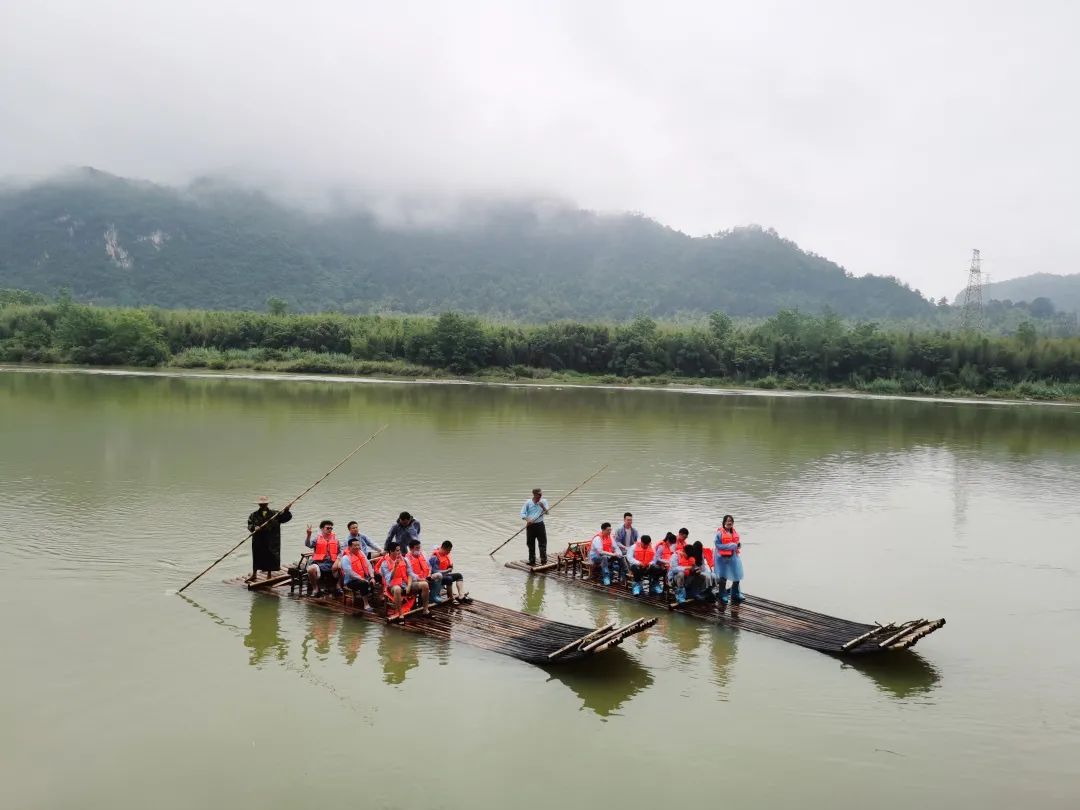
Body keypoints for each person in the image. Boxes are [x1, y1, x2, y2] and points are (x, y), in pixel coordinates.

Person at [246, 496, 293, 581]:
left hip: (271, 539)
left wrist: (287, 510)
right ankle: (254, 574)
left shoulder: (275, 514)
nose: (263, 505)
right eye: (261, 504)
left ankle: (269, 574)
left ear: (267, 504)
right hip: (258, 539)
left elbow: (285, 518)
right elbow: (249, 525)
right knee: (257, 556)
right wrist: (254, 527)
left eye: (264, 504)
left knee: (270, 556)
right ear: (259, 505)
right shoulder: (253, 515)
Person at [380, 544, 430, 620]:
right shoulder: (384, 564)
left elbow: (410, 574)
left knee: (425, 584)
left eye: (399, 549)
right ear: (391, 551)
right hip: (393, 585)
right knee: (397, 589)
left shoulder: (405, 560)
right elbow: (388, 579)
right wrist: (395, 567)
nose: (399, 552)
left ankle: (425, 610)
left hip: (406, 584)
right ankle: (400, 615)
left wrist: (410, 585)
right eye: (397, 550)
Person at [714, 514, 745, 604]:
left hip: (733, 557)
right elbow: (717, 545)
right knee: (723, 577)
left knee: (737, 575)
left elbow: (736, 543)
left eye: (731, 521)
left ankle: (735, 593)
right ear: (724, 522)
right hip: (722, 558)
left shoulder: (734, 532)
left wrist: (738, 545)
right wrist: (731, 546)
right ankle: (722, 594)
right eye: (727, 521)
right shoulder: (720, 533)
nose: (729, 522)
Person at [305, 520, 341, 597]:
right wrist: (308, 535)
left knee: (344, 566)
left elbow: (340, 552)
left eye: (331, 528)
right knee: (310, 569)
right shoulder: (317, 539)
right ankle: (315, 588)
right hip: (319, 563)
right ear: (322, 529)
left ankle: (338, 586)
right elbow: (308, 544)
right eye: (328, 528)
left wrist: (337, 561)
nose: (330, 530)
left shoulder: (336, 539)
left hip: (332, 563)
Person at [339, 536, 376, 611]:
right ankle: (366, 604)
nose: (357, 547)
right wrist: (362, 578)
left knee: (378, 576)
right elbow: (350, 572)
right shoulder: (345, 558)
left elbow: (368, 564)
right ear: (349, 547)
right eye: (355, 545)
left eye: (358, 545)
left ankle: (378, 596)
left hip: (364, 576)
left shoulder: (361, 553)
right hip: (351, 581)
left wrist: (372, 577)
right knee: (363, 583)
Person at [406, 538, 444, 605]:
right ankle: (424, 604)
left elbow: (429, 566)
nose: (419, 549)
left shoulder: (423, 554)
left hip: (426, 576)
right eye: (416, 548)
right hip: (416, 580)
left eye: (419, 547)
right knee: (424, 584)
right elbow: (410, 573)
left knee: (439, 575)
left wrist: (429, 574)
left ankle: (433, 596)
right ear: (411, 549)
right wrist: (421, 579)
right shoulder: (407, 559)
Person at [588, 522, 624, 586]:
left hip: (608, 554)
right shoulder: (598, 538)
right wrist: (612, 554)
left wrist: (619, 553)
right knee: (604, 557)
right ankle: (606, 577)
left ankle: (622, 575)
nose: (610, 531)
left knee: (621, 557)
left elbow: (615, 547)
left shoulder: (610, 537)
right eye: (608, 530)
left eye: (610, 530)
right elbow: (600, 552)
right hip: (596, 556)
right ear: (603, 530)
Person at [520, 488, 549, 566]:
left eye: (541, 494)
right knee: (530, 544)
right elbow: (522, 514)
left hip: (540, 525)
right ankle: (532, 561)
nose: (540, 496)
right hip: (530, 526)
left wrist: (543, 507)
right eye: (538, 494)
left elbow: (547, 512)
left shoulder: (544, 501)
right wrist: (527, 519)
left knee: (542, 544)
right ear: (534, 494)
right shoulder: (528, 503)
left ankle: (543, 561)